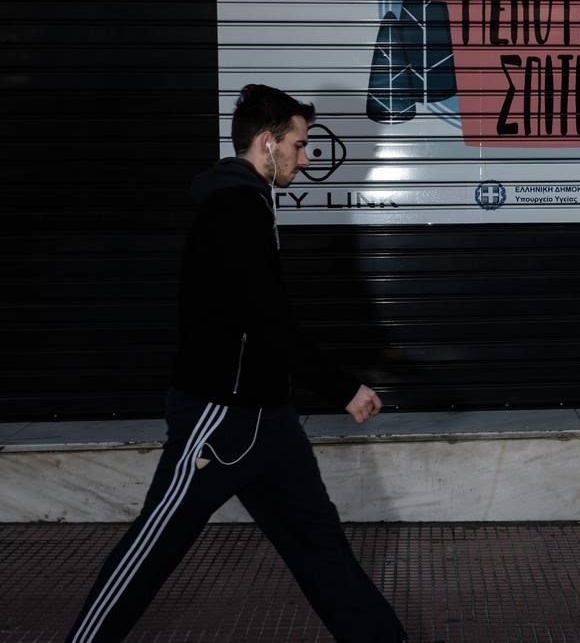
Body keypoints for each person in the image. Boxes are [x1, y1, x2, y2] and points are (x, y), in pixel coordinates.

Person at [66, 84, 408, 642]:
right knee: (154, 545)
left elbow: (261, 319)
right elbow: (266, 318)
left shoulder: (249, 202)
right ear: (267, 142)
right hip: (221, 415)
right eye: (298, 145)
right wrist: (343, 387)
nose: (305, 158)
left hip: (269, 418)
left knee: (319, 547)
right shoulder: (234, 208)